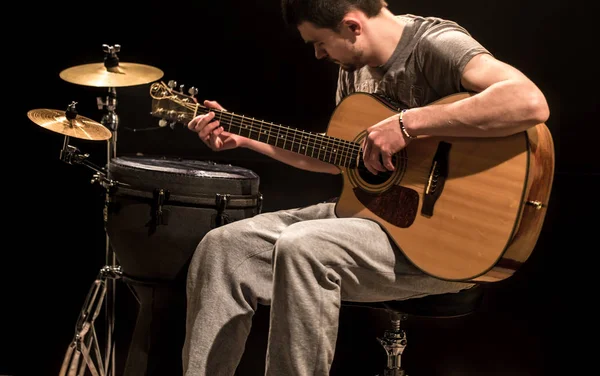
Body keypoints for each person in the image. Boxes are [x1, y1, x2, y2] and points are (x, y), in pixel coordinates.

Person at [182, 1, 550, 375]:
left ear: (352, 26)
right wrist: (245, 139)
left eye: (320, 42)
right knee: (223, 247)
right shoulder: (354, 69)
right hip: (374, 221)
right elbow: (338, 158)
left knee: (304, 246)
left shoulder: (435, 43)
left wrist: (408, 124)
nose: (317, 53)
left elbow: (528, 101)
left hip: (446, 242)